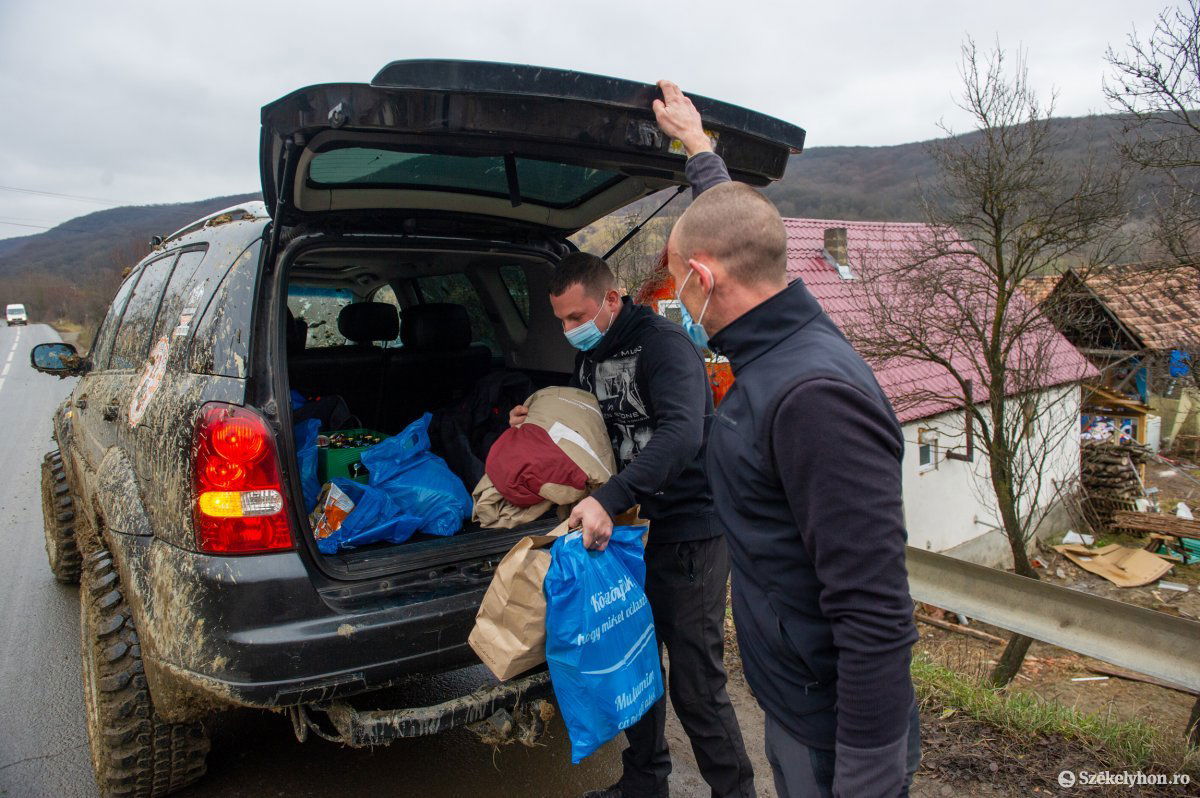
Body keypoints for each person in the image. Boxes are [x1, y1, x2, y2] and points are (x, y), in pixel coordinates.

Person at [651, 80, 921, 798]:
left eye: (677, 283)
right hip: (793, 697)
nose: (675, 300)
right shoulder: (784, 325)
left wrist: (866, 776)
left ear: (704, 279)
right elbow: (742, 227)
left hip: (833, 733)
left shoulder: (809, 399)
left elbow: (875, 611)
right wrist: (699, 148)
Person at [510, 253, 755, 798]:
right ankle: (645, 783)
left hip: (689, 530)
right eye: (562, 321)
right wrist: (539, 418)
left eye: (578, 317)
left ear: (612, 299)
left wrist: (610, 497)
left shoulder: (664, 347)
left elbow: (682, 434)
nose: (570, 330)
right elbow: (593, 429)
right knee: (636, 667)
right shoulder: (590, 355)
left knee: (696, 686)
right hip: (628, 533)